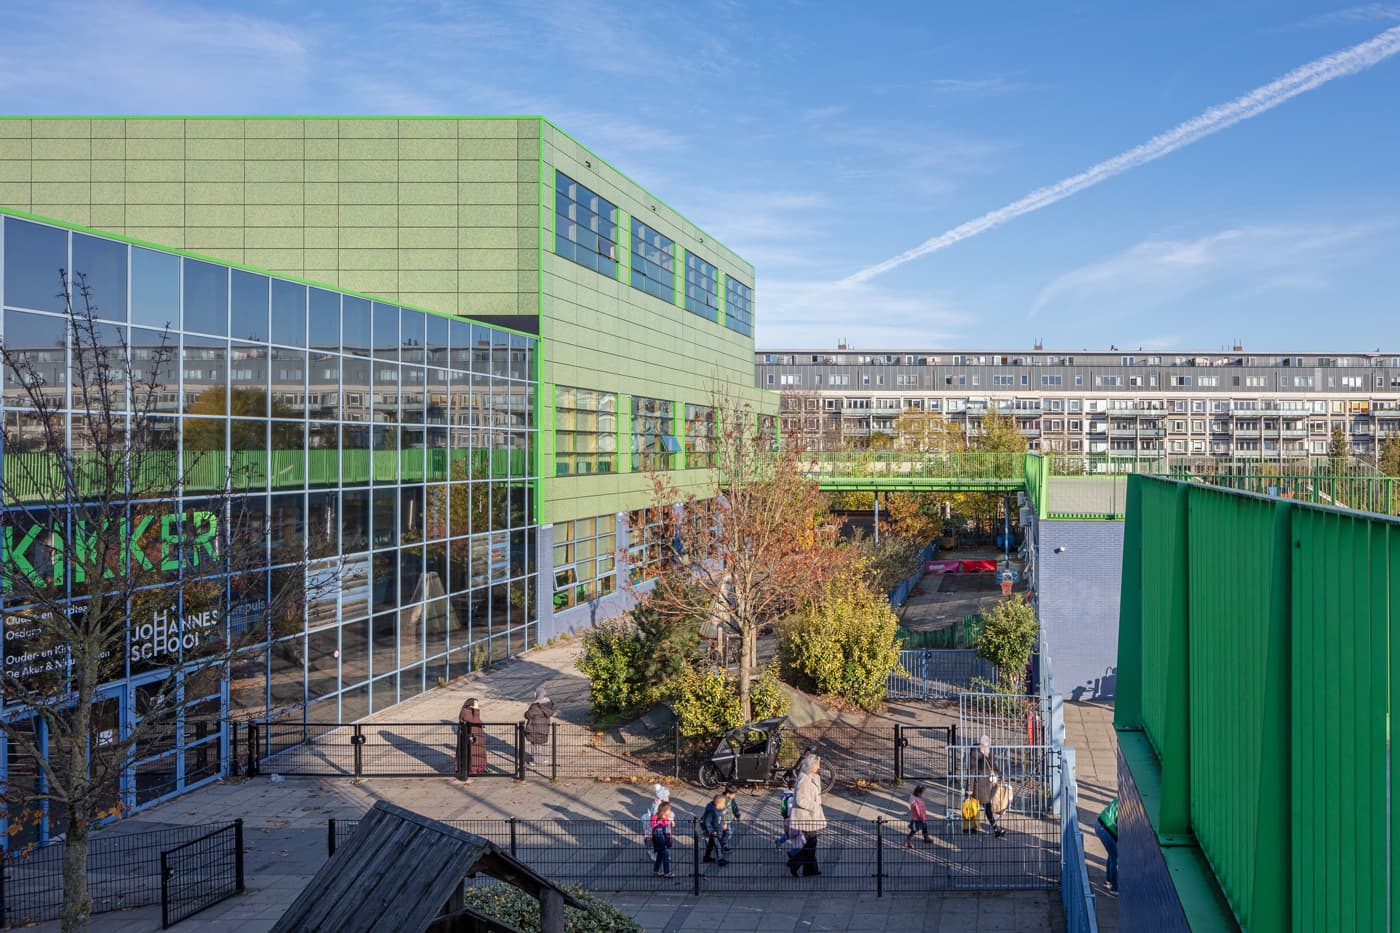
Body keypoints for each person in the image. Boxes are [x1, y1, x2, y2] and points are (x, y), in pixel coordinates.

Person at [788, 753, 827, 877]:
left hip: (811, 816)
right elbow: (800, 799)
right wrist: (814, 806)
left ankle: (810, 871)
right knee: (811, 843)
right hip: (806, 816)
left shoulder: (812, 776)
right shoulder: (803, 779)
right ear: (811, 766)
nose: (819, 767)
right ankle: (794, 862)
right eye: (817, 765)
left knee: (811, 844)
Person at [965, 734, 1005, 837]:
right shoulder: (975, 754)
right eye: (984, 746)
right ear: (981, 745)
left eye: (987, 746)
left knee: (985, 807)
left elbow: (993, 765)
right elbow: (972, 771)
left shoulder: (989, 752)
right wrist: (969, 788)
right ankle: (993, 829)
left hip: (987, 785)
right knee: (976, 807)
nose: (986, 748)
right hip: (977, 785)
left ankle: (993, 828)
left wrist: (1000, 773)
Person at [523, 687, 555, 766]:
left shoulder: (536, 706)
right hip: (544, 727)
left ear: (539, 693)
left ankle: (536, 760)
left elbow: (528, 715)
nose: (534, 693)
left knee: (535, 744)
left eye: (535, 692)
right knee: (543, 742)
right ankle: (543, 759)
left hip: (535, 727)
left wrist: (526, 713)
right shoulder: (548, 703)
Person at [457, 697, 486, 778]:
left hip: (476, 735)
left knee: (479, 751)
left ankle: (480, 768)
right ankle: (471, 769)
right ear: (471, 705)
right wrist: (477, 711)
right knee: (472, 752)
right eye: (476, 704)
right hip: (470, 736)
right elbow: (475, 721)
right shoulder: (465, 711)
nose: (478, 706)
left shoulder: (470, 711)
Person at [1096, 797, 1119, 895]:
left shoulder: (1120, 798)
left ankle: (1108, 881)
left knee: (1112, 854)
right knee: (1117, 859)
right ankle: (1115, 888)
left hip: (1100, 824)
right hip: (1107, 830)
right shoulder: (1128, 807)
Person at [641, 784, 670, 856]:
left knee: (662, 839)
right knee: (655, 840)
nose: (668, 798)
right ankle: (653, 852)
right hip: (656, 826)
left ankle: (662, 853)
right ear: (662, 797)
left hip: (662, 825)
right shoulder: (657, 805)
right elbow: (656, 816)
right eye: (666, 796)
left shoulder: (662, 804)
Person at [701, 793, 729, 866]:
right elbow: (707, 822)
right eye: (724, 804)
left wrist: (723, 823)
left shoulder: (719, 810)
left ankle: (706, 857)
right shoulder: (712, 811)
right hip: (713, 832)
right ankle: (721, 859)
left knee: (711, 844)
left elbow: (720, 818)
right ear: (719, 804)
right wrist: (711, 831)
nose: (725, 805)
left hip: (717, 830)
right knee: (718, 845)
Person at [650, 800, 675, 878]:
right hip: (660, 840)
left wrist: (671, 822)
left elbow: (667, 829)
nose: (670, 811)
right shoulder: (655, 817)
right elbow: (653, 825)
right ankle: (666, 872)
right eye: (669, 810)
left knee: (660, 856)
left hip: (664, 840)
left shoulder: (667, 817)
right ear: (665, 810)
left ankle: (656, 871)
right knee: (665, 857)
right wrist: (661, 821)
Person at [774, 775, 796, 847]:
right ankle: (780, 841)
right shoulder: (791, 797)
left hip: (785, 815)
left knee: (789, 832)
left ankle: (780, 841)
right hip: (790, 816)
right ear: (792, 788)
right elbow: (791, 807)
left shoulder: (786, 792)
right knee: (791, 833)